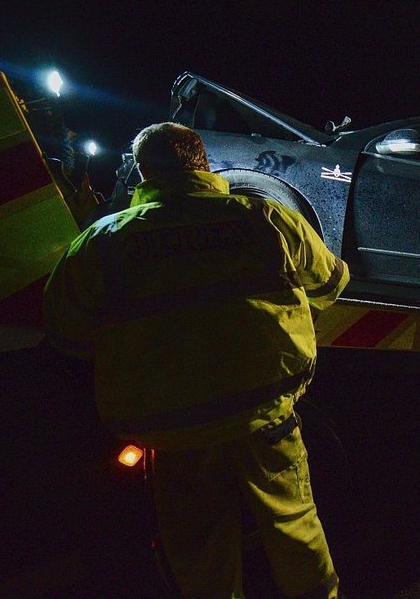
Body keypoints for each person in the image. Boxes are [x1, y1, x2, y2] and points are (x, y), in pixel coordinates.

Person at [43, 122, 348, 598]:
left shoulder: (102, 242)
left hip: (175, 431)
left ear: (143, 170)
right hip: (264, 416)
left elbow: (66, 333)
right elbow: (331, 286)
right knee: (294, 527)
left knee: (201, 550)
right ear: (203, 163)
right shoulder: (264, 216)